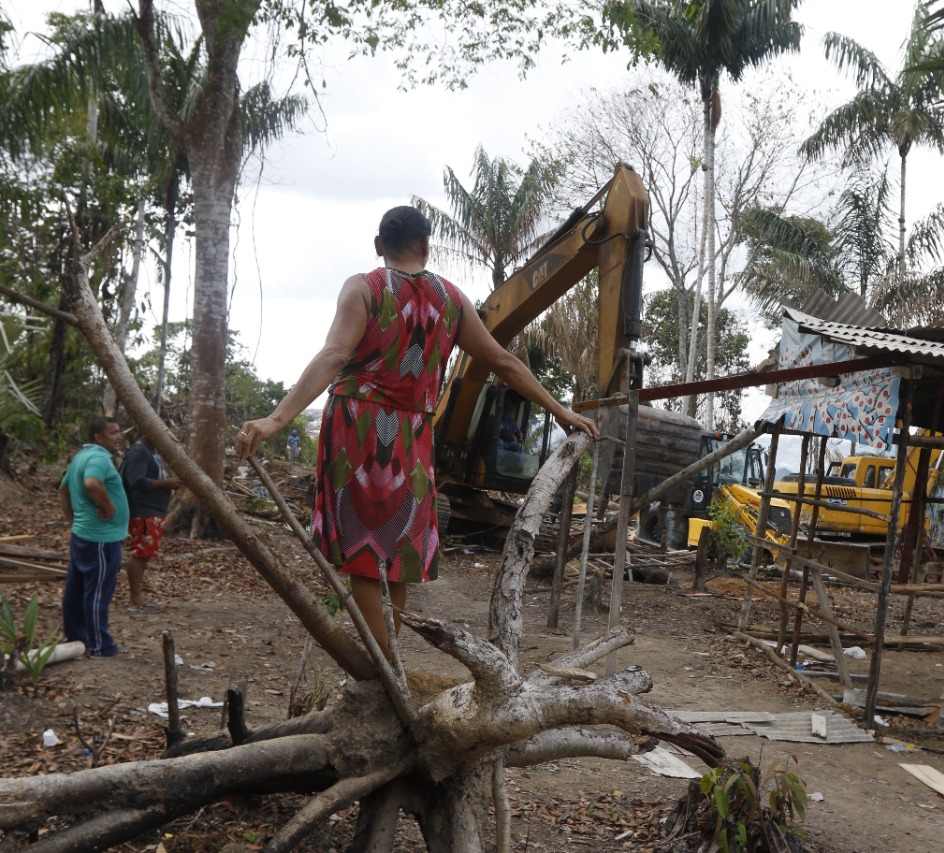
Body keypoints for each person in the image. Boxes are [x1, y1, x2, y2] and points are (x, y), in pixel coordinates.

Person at [235, 205, 597, 659]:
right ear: (426, 245)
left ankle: (382, 663)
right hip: (412, 435)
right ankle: (387, 659)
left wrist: (276, 420)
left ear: (378, 245)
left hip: (360, 427)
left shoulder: (364, 287)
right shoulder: (452, 298)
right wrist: (560, 410)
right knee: (397, 552)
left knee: (363, 553)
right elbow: (502, 361)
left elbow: (333, 355)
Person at [59, 417, 128, 657]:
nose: (119, 436)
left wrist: (73, 520)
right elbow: (91, 483)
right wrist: (109, 507)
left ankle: (78, 638)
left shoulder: (80, 457)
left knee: (76, 588)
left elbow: (64, 489)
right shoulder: (98, 458)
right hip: (101, 538)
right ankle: (101, 645)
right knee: (97, 591)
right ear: (99, 438)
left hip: (85, 534)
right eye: (114, 432)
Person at [119, 434, 182, 612]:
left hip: (152, 511)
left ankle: (137, 597)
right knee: (140, 552)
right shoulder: (139, 451)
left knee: (144, 553)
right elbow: (136, 481)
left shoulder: (150, 451)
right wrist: (165, 483)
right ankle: (135, 599)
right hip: (144, 511)